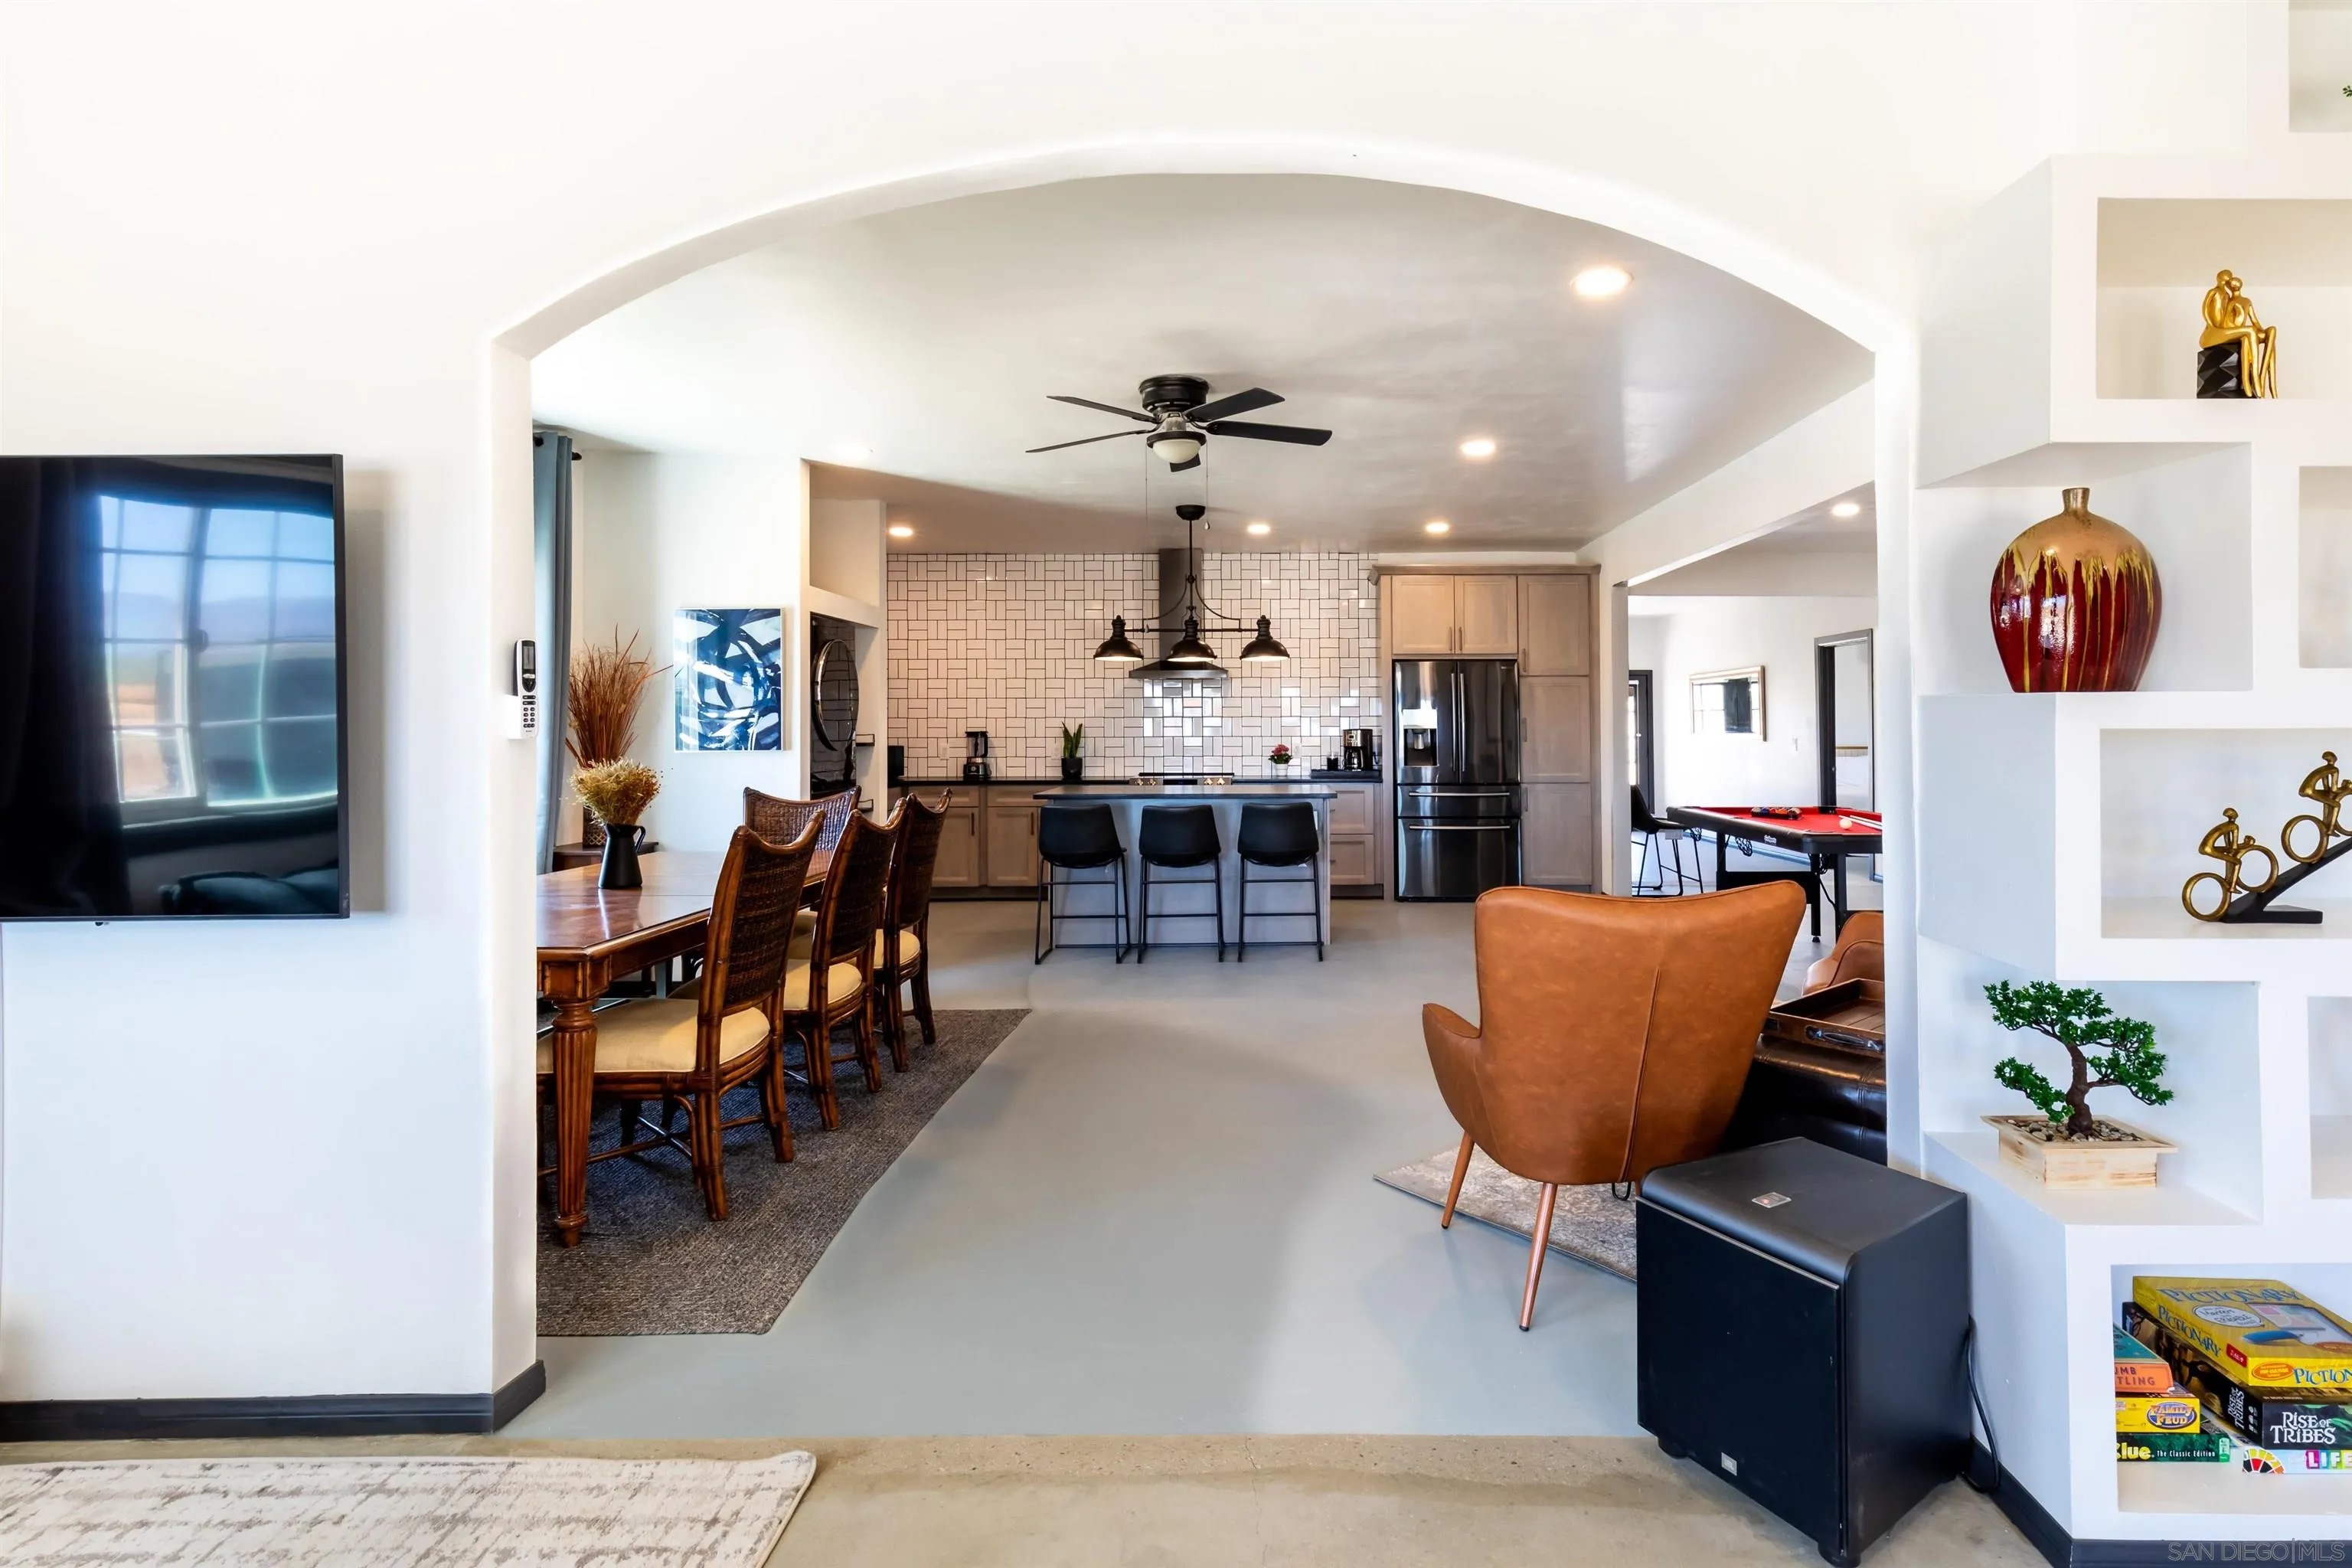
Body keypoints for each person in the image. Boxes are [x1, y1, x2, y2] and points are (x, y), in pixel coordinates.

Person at [2200, 270, 2278, 397]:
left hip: (2224, 331)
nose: (2229, 282)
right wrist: (2211, 325)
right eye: (2228, 280)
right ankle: (2254, 382)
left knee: (2270, 331)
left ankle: (2265, 383)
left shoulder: (2230, 297)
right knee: (2249, 331)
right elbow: (2206, 311)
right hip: (2213, 333)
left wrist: (2263, 333)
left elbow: (2255, 322)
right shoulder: (2216, 293)